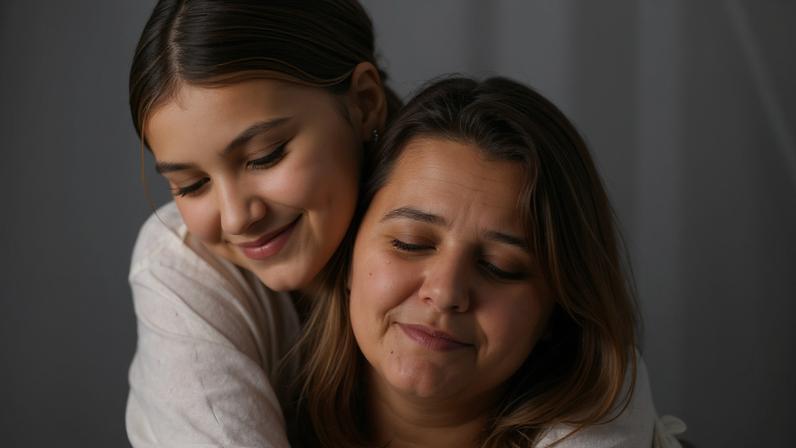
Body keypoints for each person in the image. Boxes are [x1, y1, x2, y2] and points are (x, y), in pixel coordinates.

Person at [126, 1, 671, 447]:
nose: (236, 215)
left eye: (266, 155)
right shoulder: (184, 262)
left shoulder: (589, 379)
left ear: (364, 103)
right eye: (190, 185)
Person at [296, 76, 684, 447]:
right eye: (410, 243)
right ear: (347, 251)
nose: (446, 292)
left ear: (556, 310)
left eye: (500, 267)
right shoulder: (259, 413)